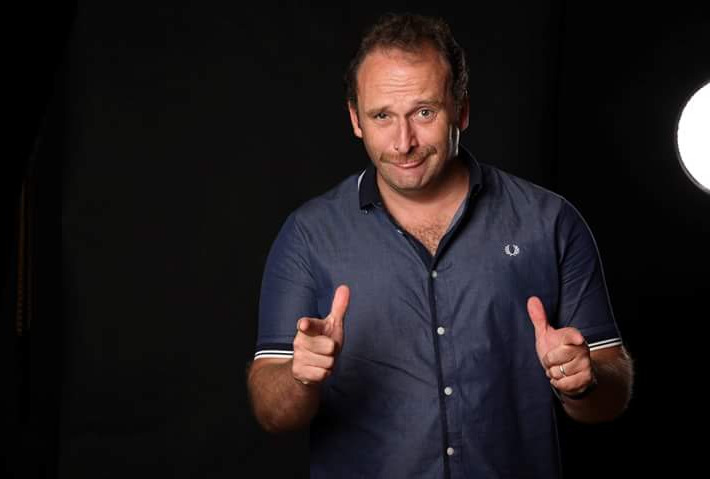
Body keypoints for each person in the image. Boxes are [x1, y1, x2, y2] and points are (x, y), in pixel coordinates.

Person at [247, 12, 633, 478]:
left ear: (461, 111)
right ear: (355, 119)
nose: (403, 142)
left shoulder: (549, 222)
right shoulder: (309, 235)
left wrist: (581, 381)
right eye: (382, 116)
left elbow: (611, 395)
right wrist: (301, 378)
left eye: (424, 113)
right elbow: (272, 413)